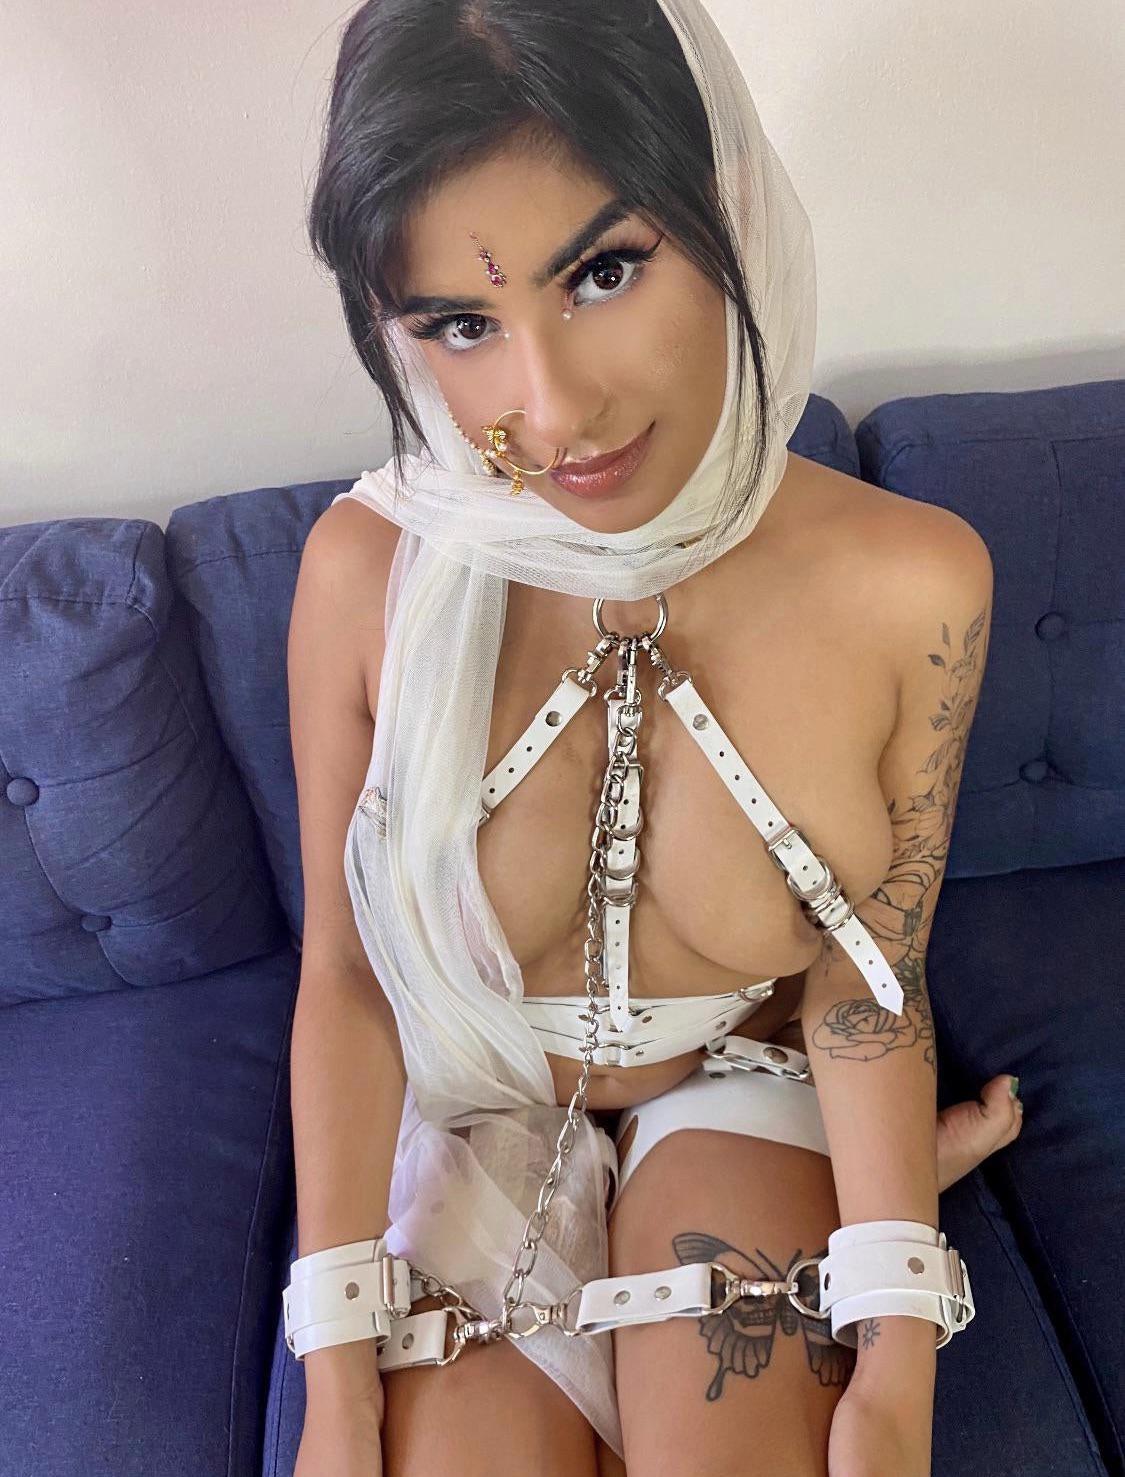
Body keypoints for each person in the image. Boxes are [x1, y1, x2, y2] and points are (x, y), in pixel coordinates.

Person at [284, 1, 1024, 1473]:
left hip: (740, 1082)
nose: (554, 409)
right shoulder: (368, 577)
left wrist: (898, 1356)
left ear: (725, 207)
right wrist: (339, 1389)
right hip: (480, 1110)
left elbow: (865, 975)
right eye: (460, 324)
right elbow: (348, 975)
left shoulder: (912, 583)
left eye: (605, 270)